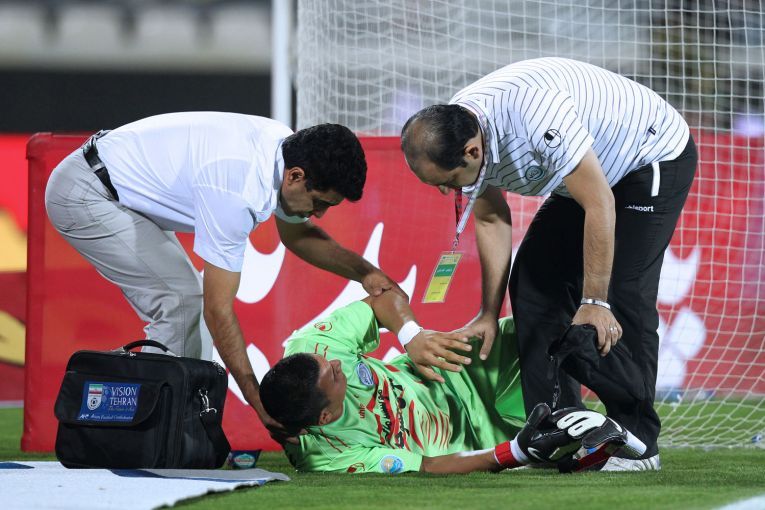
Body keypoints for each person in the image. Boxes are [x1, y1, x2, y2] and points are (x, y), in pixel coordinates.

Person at [400, 58, 698, 471]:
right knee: (533, 284)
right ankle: (554, 433)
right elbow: (490, 218)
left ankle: (637, 442)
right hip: (588, 171)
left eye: (448, 181)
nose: (445, 191)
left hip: (648, 159)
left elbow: (599, 203)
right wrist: (488, 313)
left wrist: (594, 301)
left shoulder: (536, 120)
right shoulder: (459, 128)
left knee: (622, 293)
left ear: (472, 151)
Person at [45, 111, 410, 433]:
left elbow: (298, 235)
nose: (319, 214)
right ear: (296, 177)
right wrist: (256, 399)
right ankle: (151, 434)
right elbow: (218, 311)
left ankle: (172, 430)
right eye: (319, 203)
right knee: (182, 302)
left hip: (112, 181)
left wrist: (365, 273)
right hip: (85, 194)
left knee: (185, 305)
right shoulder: (237, 189)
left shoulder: (283, 149)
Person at [260, 290, 645, 474]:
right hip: (468, 440)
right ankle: (603, 441)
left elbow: (383, 298)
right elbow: (426, 466)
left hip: (455, 369)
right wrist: (511, 453)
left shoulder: (314, 346)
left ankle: (638, 423)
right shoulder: (329, 457)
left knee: (546, 327)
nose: (335, 363)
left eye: (330, 362)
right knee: (552, 445)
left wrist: (411, 336)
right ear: (325, 417)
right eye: (334, 374)